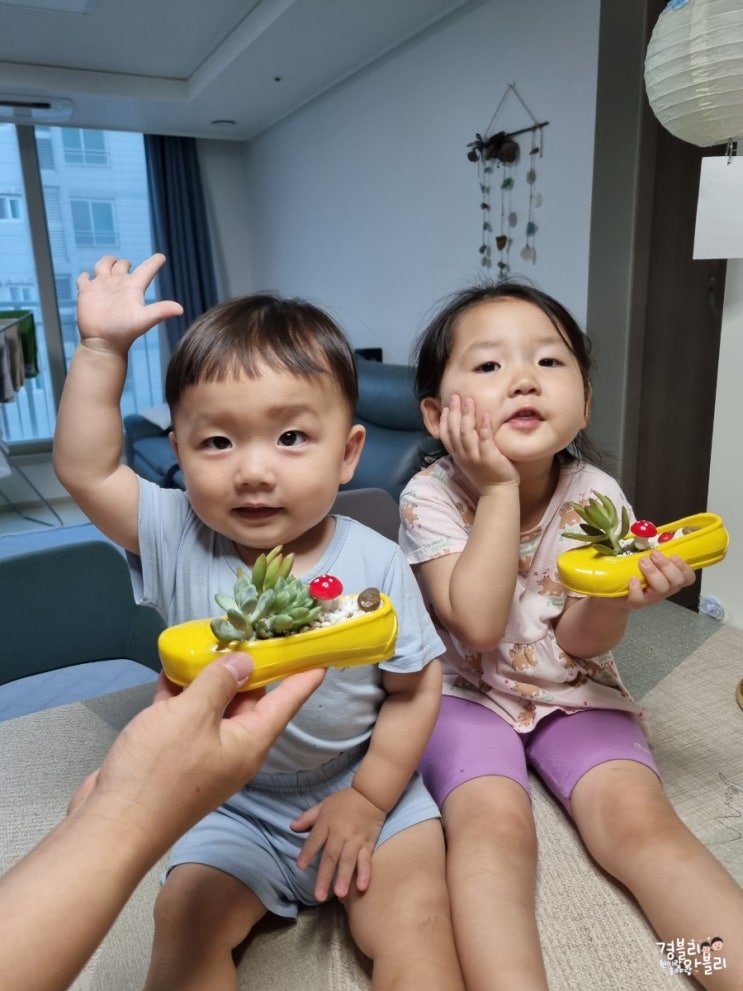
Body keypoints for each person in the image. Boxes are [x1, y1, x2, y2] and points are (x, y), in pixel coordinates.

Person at [53, 254, 464, 991]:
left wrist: (370, 799)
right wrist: (100, 350)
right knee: (183, 923)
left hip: (367, 779)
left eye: (290, 438)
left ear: (348, 454)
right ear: (178, 453)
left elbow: (413, 689)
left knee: (418, 924)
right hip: (228, 800)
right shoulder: (174, 533)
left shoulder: (375, 559)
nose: (251, 471)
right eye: (217, 441)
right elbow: (87, 470)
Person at [398, 281, 743, 991]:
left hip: (574, 686)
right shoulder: (428, 496)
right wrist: (497, 490)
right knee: (492, 831)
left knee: (640, 826)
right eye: (489, 365)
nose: (524, 379)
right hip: (463, 690)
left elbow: (581, 644)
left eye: (549, 362)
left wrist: (618, 596)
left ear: (583, 404)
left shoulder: (595, 496)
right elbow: (478, 625)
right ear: (436, 414)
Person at [0, 653, 325, 991]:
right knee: (182, 914)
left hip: (349, 796)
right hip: (232, 804)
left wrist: (361, 797)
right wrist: (121, 806)